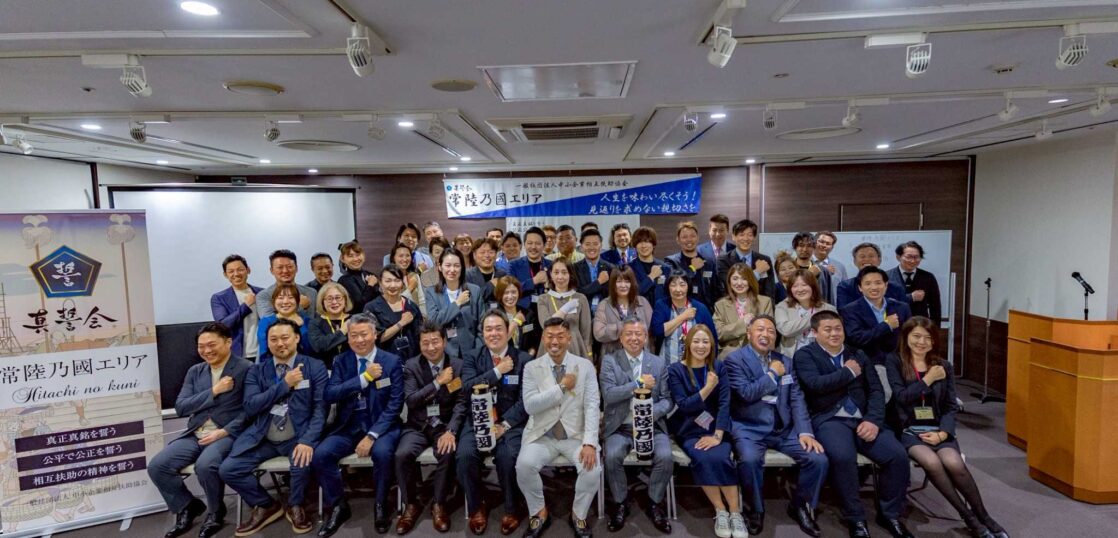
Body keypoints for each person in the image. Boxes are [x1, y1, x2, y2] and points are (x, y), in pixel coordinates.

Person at [793, 311, 913, 538]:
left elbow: (876, 390)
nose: (834, 333)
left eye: (838, 328)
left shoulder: (858, 354)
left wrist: (873, 420)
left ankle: (890, 515)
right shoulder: (805, 355)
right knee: (843, 457)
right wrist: (848, 372)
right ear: (814, 333)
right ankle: (856, 518)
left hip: (862, 419)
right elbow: (815, 385)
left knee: (897, 455)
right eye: (827, 329)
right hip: (829, 419)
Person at [886, 317, 1008, 538]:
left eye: (927, 337)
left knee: (954, 463)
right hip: (909, 429)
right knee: (932, 462)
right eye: (916, 336)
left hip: (939, 428)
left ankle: (985, 516)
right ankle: (969, 519)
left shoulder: (944, 365)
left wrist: (943, 433)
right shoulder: (895, 361)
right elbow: (902, 398)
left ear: (934, 341)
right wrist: (928, 379)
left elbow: (951, 405)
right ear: (905, 337)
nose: (922, 342)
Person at [219, 319, 328, 536]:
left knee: (302, 462)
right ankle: (266, 504)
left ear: (296, 338)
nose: (280, 343)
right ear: (267, 343)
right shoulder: (257, 371)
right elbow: (251, 406)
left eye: (285, 338)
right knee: (228, 469)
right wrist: (284, 384)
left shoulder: (314, 366)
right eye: (274, 339)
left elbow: (320, 409)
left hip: (297, 435)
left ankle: (296, 505)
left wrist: (307, 441)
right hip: (264, 436)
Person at [723, 316, 826, 537]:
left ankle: (799, 505)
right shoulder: (734, 360)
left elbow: (796, 399)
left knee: (818, 459)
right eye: (760, 329)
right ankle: (755, 509)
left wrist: (805, 431)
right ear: (748, 333)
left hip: (783, 429)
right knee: (749, 460)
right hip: (749, 428)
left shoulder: (785, 361)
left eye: (771, 331)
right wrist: (772, 374)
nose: (766, 335)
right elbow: (746, 393)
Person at [149, 323, 252, 538]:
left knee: (205, 466)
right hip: (196, 432)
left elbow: (251, 410)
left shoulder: (246, 368)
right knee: (158, 466)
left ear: (228, 342)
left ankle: (215, 511)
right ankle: (187, 505)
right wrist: (214, 391)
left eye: (212, 344)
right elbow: (181, 407)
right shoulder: (195, 371)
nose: (206, 350)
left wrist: (224, 431)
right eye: (201, 346)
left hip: (227, 434)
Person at [312, 314, 404, 536]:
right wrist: (363, 378)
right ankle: (338, 506)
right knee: (321, 454)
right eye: (354, 335)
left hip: (382, 427)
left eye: (364, 334)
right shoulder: (341, 361)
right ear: (348, 338)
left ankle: (381, 504)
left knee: (382, 453)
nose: (360, 340)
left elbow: (395, 405)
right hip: (349, 425)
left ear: (375, 335)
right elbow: (330, 394)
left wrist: (372, 435)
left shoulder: (391, 361)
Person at [516, 318, 602, 538]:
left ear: (569, 338)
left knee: (592, 470)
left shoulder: (585, 366)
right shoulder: (531, 367)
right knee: (523, 466)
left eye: (560, 336)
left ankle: (579, 514)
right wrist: (562, 387)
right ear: (543, 338)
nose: (554, 341)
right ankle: (538, 512)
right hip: (542, 435)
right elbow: (530, 405)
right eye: (550, 336)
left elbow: (592, 406)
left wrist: (590, 443)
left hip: (575, 436)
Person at [458, 310, 534, 535]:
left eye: (498, 328)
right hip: (478, 420)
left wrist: (504, 425)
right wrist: (497, 372)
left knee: (507, 456)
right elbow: (467, 388)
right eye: (488, 329)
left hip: (510, 423)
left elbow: (526, 401)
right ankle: (476, 506)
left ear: (508, 330)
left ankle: (512, 507)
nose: (493, 333)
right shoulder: (472, 357)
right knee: (464, 456)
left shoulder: (524, 359)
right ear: (482, 333)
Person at [667, 325, 744, 538]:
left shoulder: (719, 367)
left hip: (716, 429)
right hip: (689, 429)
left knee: (721, 457)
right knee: (703, 457)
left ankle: (735, 513)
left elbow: (725, 403)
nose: (701, 346)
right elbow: (684, 405)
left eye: (705, 341)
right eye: (696, 341)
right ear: (688, 344)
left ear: (712, 345)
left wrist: (718, 435)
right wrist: (708, 387)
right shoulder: (675, 370)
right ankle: (720, 510)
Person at [599, 319, 674, 533]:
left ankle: (654, 502)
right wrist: (639, 383)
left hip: (651, 425)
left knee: (666, 457)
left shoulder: (658, 363)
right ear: (621, 338)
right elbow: (609, 395)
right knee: (612, 456)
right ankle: (620, 502)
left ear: (646, 338)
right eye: (629, 334)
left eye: (638, 334)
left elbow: (667, 400)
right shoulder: (610, 361)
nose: (634, 338)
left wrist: (649, 413)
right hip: (620, 427)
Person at [395, 321, 466, 534]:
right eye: (425, 342)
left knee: (447, 451)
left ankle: (439, 503)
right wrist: (438, 382)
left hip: (443, 424)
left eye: (435, 341)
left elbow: (461, 403)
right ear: (419, 344)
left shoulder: (458, 365)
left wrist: (451, 431)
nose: (431, 347)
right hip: (417, 425)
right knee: (401, 454)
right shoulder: (411, 365)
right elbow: (411, 400)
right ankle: (411, 504)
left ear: (444, 341)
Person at [841, 266, 912, 366]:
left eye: (878, 283)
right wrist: (886, 325)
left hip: (899, 362)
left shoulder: (902, 308)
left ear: (886, 285)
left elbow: (908, 336)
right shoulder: (849, 310)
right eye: (868, 283)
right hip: (867, 364)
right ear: (860, 287)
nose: (874, 287)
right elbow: (857, 339)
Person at [424, 247, 485, 358]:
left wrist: (478, 350)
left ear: (462, 268)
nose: (452, 270)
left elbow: (482, 325)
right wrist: (457, 303)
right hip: (444, 352)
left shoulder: (474, 290)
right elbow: (434, 322)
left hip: (471, 350)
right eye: (448, 265)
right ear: (440, 267)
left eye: (457, 266)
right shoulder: (431, 292)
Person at [651, 271, 717, 364]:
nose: (678, 289)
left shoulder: (700, 308)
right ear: (668, 287)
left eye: (682, 285)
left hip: (696, 363)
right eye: (673, 285)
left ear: (688, 286)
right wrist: (683, 316)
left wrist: (711, 364)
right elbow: (657, 331)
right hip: (667, 363)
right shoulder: (661, 305)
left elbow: (712, 337)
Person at [713, 263, 774, 358]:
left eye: (744, 279)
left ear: (750, 280)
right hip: (729, 356)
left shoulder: (764, 302)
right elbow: (718, 333)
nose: (739, 283)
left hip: (757, 354)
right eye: (735, 279)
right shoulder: (720, 305)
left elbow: (769, 332)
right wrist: (742, 324)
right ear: (729, 281)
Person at [535, 257, 592, 359]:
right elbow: (546, 324)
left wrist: (589, 356)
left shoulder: (580, 298)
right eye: (556, 272)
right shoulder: (543, 299)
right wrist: (566, 308)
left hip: (574, 348)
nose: (560, 277)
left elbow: (586, 334)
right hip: (550, 347)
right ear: (551, 275)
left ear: (570, 275)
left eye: (564, 272)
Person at [210, 254, 263, 361]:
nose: (236, 274)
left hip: (262, 353)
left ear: (248, 270)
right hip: (237, 355)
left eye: (240, 270)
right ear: (225, 274)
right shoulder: (219, 298)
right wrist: (246, 306)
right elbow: (223, 326)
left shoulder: (262, 293)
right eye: (231, 271)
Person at [775, 269, 837, 359]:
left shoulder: (828, 309)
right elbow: (785, 330)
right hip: (792, 357)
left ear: (813, 286)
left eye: (804, 285)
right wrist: (815, 318)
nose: (800, 289)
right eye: (795, 286)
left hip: (823, 356)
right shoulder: (782, 306)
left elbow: (834, 334)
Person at [365, 265, 423, 359]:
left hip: (412, 360)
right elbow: (374, 338)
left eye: (397, 281)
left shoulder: (411, 306)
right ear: (380, 283)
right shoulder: (371, 307)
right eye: (388, 281)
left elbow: (420, 335)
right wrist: (401, 323)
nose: (393, 285)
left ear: (402, 283)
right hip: (384, 361)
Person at [593, 266, 652, 358]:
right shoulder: (604, 304)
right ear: (613, 284)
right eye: (619, 281)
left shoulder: (642, 302)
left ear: (632, 283)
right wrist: (623, 326)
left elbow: (650, 331)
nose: (623, 285)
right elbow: (599, 333)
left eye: (627, 281)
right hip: (613, 357)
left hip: (640, 356)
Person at [665, 220, 722, 309]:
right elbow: (673, 286)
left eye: (692, 236)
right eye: (684, 237)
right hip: (682, 310)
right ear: (678, 240)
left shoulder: (709, 261)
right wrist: (692, 268)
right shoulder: (671, 261)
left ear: (698, 238)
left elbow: (717, 290)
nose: (689, 240)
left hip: (707, 311)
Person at [716, 219, 776, 302]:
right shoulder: (723, 260)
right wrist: (757, 272)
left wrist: (767, 309)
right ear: (733, 237)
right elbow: (729, 286)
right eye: (741, 235)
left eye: (750, 235)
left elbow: (770, 292)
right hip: (734, 306)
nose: (746, 238)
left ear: (754, 237)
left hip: (759, 306)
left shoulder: (765, 260)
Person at [835, 243, 907, 308]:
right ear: (855, 261)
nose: (867, 259)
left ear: (879, 260)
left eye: (871, 256)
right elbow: (843, 312)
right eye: (862, 256)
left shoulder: (896, 288)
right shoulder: (845, 286)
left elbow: (903, 311)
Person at [888, 241, 942, 323]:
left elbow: (935, 307)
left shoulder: (928, 277)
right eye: (909, 257)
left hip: (920, 324)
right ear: (898, 257)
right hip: (895, 324)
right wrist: (911, 297)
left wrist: (935, 328)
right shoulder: (887, 276)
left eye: (916, 257)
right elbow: (884, 301)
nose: (913, 261)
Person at [256, 282, 312, 360]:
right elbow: (264, 353)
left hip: (303, 363)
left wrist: (301, 327)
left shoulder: (307, 321)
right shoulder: (266, 322)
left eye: (291, 297)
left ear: (297, 301)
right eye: (281, 298)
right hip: (273, 364)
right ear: (274, 302)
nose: (285, 302)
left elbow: (310, 350)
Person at [257, 249, 317, 319]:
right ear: (272, 270)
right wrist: (300, 306)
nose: (285, 271)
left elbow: (316, 321)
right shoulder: (263, 296)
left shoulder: (311, 292)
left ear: (296, 268)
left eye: (289, 267)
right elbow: (269, 321)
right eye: (280, 267)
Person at [307, 282, 352, 369]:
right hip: (325, 369)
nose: (334, 302)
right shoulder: (315, 323)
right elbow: (318, 346)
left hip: (352, 368)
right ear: (322, 302)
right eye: (329, 299)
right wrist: (342, 331)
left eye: (338, 298)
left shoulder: (354, 320)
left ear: (345, 299)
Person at [494, 275, 541, 356]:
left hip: (525, 358)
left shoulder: (528, 313)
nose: (510, 296)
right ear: (500, 294)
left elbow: (536, 340)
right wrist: (516, 321)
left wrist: (530, 355)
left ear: (519, 293)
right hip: (503, 358)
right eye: (506, 293)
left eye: (513, 292)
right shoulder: (494, 315)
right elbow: (499, 342)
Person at [508, 227, 553, 309]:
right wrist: (534, 281)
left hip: (548, 310)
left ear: (544, 245)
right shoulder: (513, 265)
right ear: (524, 245)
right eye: (530, 243)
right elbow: (510, 290)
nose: (533, 247)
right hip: (522, 311)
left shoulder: (552, 265)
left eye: (538, 243)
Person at [572, 228, 615, 314]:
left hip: (606, 313)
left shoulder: (611, 268)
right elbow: (578, 293)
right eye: (587, 244)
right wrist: (599, 282)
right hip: (582, 312)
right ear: (581, 247)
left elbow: (612, 295)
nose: (592, 248)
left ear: (601, 245)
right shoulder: (574, 268)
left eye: (595, 244)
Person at [627, 226, 671, 309]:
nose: (643, 246)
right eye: (639, 242)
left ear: (653, 244)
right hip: (638, 312)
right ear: (635, 246)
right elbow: (632, 294)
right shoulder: (629, 268)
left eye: (647, 241)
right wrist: (651, 277)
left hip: (661, 313)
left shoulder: (665, 268)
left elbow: (669, 294)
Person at [337, 241, 380, 314]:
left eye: (358, 254)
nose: (355, 259)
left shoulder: (370, 274)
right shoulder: (344, 280)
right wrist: (370, 285)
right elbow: (360, 304)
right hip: (358, 318)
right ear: (343, 259)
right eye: (350, 256)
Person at [791, 232, 833, 305]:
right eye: (801, 245)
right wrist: (809, 274)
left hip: (819, 309)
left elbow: (829, 298)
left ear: (814, 248)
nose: (805, 249)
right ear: (795, 247)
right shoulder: (789, 270)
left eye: (809, 246)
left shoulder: (823, 271)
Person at [466, 237, 508, 304]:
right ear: (474, 255)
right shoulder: (467, 275)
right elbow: (471, 300)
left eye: (491, 252)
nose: (487, 255)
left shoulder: (502, 275)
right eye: (482, 252)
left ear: (496, 254)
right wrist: (490, 285)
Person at [390, 242, 427, 316]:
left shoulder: (414, 275)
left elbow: (422, 301)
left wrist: (424, 317)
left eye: (407, 255)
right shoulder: (390, 279)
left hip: (417, 317)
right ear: (393, 258)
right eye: (401, 256)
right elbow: (395, 303)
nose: (405, 259)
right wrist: (410, 288)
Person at [812, 231, 846, 300]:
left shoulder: (839, 266)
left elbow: (845, 290)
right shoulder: (804, 263)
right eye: (821, 242)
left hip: (833, 305)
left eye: (828, 244)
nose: (824, 245)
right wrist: (823, 270)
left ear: (832, 247)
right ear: (814, 243)